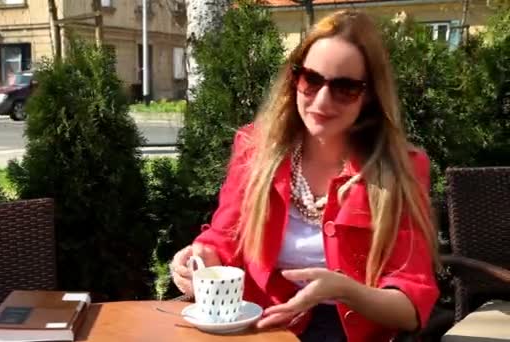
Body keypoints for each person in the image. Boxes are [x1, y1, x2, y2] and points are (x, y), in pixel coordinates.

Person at [169, 10, 440, 342]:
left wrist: (345, 290)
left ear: (368, 96)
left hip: (350, 331)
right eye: (311, 80)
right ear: (294, 79)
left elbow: (411, 306)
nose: (322, 101)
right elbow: (224, 237)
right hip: (263, 323)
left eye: (345, 88)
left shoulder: (401, 168)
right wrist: (200, 256)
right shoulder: (256, 149)